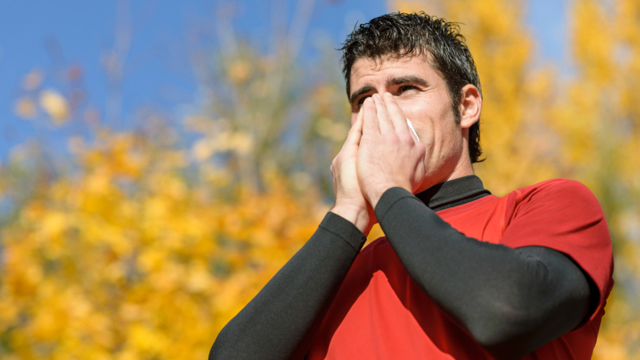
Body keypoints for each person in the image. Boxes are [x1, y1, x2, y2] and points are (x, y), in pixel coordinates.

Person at [209, 12, 613, 360]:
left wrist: (386, 188)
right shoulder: (339, 271)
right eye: (364, 99)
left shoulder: (547, 205)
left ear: (466, 105)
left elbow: (504, 312)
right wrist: (348, 215)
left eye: (405, 90)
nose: (381, 113)